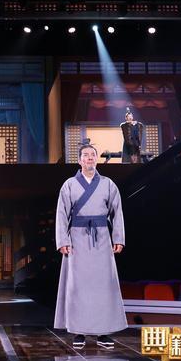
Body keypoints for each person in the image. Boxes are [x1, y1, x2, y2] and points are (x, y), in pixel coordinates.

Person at [54, 143, 127, 349]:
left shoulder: (108, 184)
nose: (89, 158)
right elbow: (61, 214)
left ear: (96, 159)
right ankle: (79, 332)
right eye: (85, 155)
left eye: (92, 155)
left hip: (102, 238)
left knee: (103, 286)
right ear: (79, 160)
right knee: (78, 287)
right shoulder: (69, 184)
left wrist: (118, 238)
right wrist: (63, 241)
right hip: (77, 239)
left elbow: (117, 212)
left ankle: (103, 332)